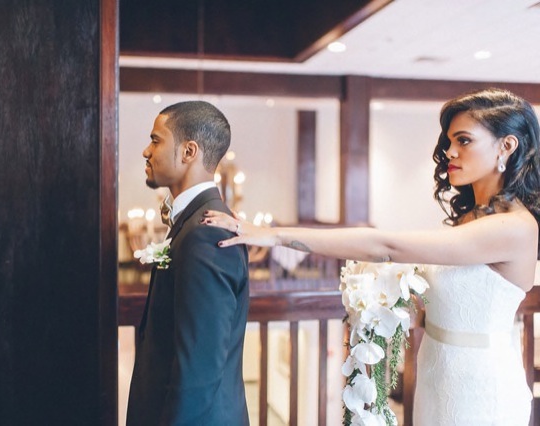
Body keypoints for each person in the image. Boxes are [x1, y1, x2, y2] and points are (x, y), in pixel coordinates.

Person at [203, 88, 540, 425]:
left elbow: (386, 246)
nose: (450, 151)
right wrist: (381, 308)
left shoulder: (514, 227)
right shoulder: (470, 218)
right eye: (449, 141)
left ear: (506, 146)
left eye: (463, 140)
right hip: (436, 373)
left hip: (480, 388)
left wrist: (275, 235)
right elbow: (448, 306)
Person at [126, 100, 250, 425]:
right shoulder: (193, 222)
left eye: (156, 140)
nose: (146, 151)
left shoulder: (206, 231)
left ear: (188, 151)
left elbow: (199, 370)